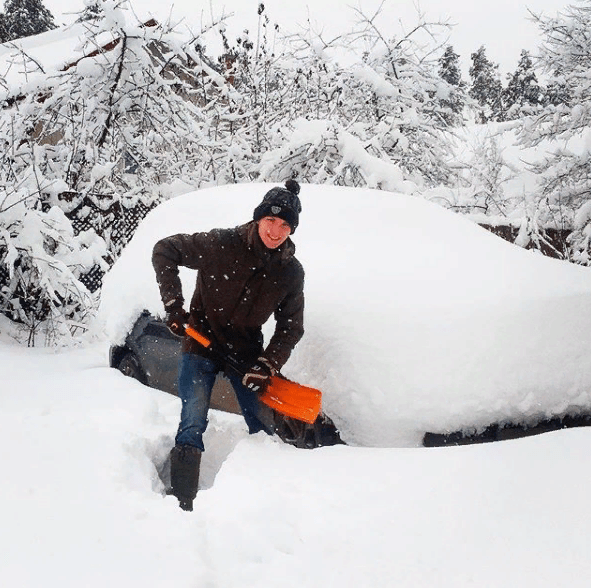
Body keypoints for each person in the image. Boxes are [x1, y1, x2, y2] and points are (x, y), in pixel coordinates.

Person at [152, 179, 305, 511]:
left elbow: (291, 327)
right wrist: (175, 307)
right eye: (271, 221)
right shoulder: (221, 243)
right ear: (258, 219)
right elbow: (165, 250)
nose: (276, 231)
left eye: (284, 225)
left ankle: (262, 501)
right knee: (193, 417)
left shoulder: (290, 272)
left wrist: (267, 365)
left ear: (291, 229)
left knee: (262, 426)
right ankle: (182, 500)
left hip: (246, 354)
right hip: (201, 343)